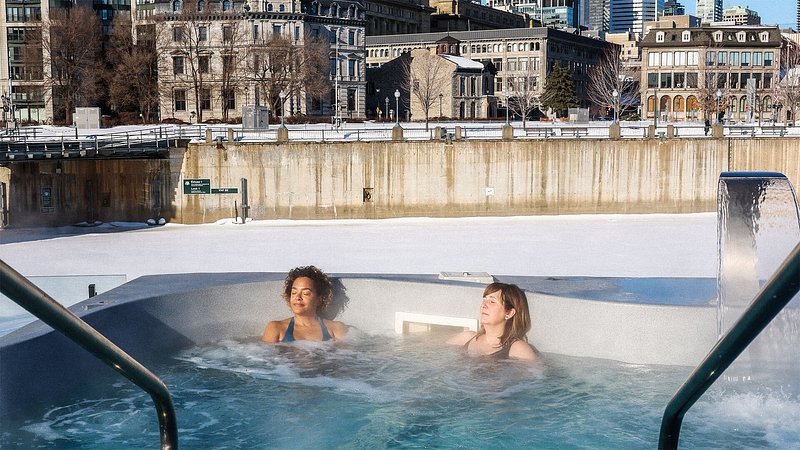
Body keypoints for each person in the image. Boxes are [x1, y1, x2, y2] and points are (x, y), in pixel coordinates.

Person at [447, 282, 538, 361]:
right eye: (484, 300)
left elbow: (538, 377)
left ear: (509, 313)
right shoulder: (466, 338)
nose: (484, 305)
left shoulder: (518, 349)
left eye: (492, 302)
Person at [262, 265, 348, 343]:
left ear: (319, 299)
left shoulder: (336, 329)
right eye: (294, 292)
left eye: (306, 293)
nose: (298, 297)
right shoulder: (275, 328)